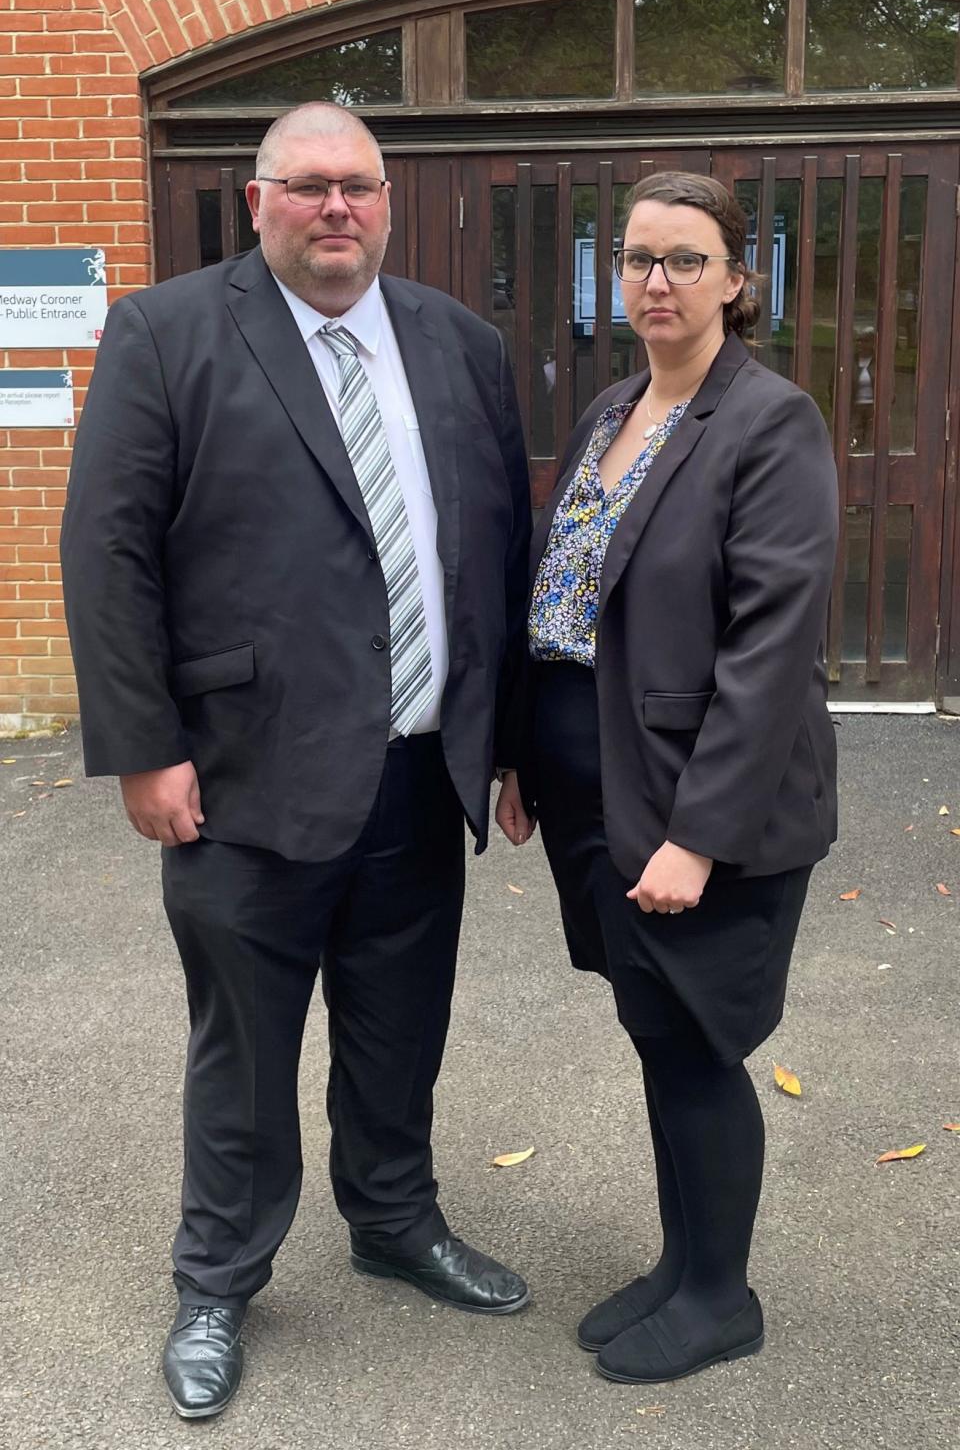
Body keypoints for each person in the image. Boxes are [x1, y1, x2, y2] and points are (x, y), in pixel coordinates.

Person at [61, 102, 532, 1420]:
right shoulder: (171, 333)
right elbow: (108, 555)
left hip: (418, 773)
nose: (337, 210)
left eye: (359, 188)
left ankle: (394, 1220)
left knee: (400, 1030)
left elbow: (498, 551)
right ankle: (218, 1278)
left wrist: (506, 748)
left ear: (388, 202)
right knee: (246, 1050)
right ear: (257, 200)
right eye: (308, 187)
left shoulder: (460, 344)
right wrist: (144, 752)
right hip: (240, 778)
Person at [496, 172, 838, 1386]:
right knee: (655, 1029)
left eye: (687, 260)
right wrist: (523, 753)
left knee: (698, 1043)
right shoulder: (612, 410)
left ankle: (719, 1295)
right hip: (596, 787)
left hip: (703, 808)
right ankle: (683, 1261)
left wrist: (696, 837)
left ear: (739, 281)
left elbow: (769, 650)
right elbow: (566, 597)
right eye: (637, 258)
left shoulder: (770, 422)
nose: (656, 282)